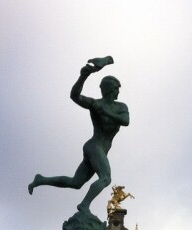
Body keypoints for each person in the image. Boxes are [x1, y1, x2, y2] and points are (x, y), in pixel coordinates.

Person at [28, 57, 130, 211]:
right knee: (106, 178)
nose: (118, 92)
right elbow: (74, 96)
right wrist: (83, 76)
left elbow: (125, 120)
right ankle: (84, 205)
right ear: (110, 89)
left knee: (75, 183)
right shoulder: (95, 104)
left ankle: (41, 180)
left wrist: (106, 112)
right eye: (117, 89)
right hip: (94, 146)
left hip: (100, 149)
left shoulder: (121, 106)